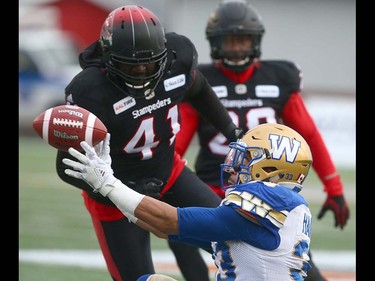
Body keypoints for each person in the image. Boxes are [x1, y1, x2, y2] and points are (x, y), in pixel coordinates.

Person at [55, 5, 244, 281]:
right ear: (109, 59)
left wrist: (232, 131)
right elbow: (67, 166)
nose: (142, 70)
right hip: (113, 198)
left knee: (236, 243)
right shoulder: (91, 92)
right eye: (131, 63)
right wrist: (126, 191)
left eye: (149, 62)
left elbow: (200, 90)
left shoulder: (176, 61)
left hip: (171, 175)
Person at [175, 1, 350, 280]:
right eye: (229, 41)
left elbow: (310, 135)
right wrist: (167, 180)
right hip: (214, 186)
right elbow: (178, 142)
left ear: (256, 41)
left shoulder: (279, 77)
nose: (236, 48)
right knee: (179, 233)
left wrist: (334, 187)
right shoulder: (201, 81)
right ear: (214, 42)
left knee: (299, 266)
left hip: (265, 192)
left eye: (242, 40)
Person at [62, 123, 314, 281]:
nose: (236, 167)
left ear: (271, 168)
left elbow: (170, 220)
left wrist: (108, 183)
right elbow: (164, 228)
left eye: (246, 159)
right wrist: (114, 192)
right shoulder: (285, 206)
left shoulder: (272, 198)